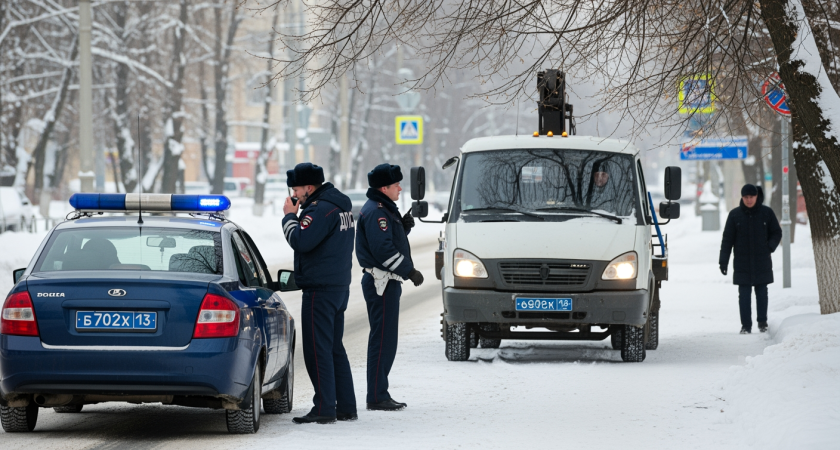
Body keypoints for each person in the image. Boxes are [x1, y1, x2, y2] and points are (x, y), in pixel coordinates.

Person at [281, 163, 358, 424]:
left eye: (297, 188)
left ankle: (324, 407)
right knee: (335, 348)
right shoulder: (339, 206)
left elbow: (301, 241)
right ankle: (346, 406)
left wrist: (289, 217)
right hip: (338, 287)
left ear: (309, 187)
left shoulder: (319, 210)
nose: (294, 194)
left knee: (317, 351)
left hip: (320, 290)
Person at [355, 163, 424, 411]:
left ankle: (379, 392)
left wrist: (402, 227)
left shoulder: (383, 209)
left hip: (385, 282)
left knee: (386, 339)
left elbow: (386, 240)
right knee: (382, 341)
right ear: (384, 187)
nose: (400, 188)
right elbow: (383, 250)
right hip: (381, 282)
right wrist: (409, 271)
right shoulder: (377, 211)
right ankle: (376, 396)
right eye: (396, 185)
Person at [719, 184, 782, 334]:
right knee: (744, 295)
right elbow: (727, 239)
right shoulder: (735, 215)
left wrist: (770, 247)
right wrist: (723, 260)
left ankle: (762, 322)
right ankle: (746, 325)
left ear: (756, 196)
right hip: (742, 262)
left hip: (762, 260)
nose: (748, 200)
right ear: (742, 197)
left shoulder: (766, 213)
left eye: (751, 197)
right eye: (746, 197)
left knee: (762, 292)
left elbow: (776, 232)